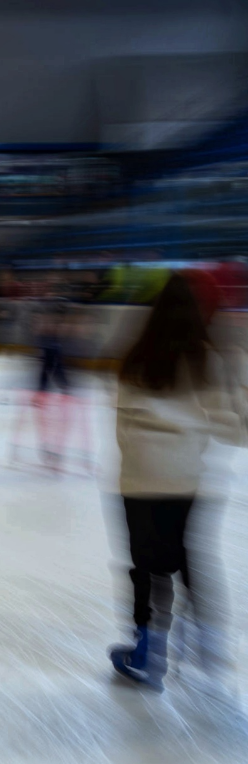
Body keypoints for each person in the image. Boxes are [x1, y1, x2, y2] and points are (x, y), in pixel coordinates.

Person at [108, 272, 245, 690]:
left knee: (146, 565)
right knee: (190, 557)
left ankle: (148, 651)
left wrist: (139, 456)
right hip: (186, 478)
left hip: (138, 478)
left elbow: (122, 426)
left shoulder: (135, 356)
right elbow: (232, 428)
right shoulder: (209, 359)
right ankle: (210, 642)